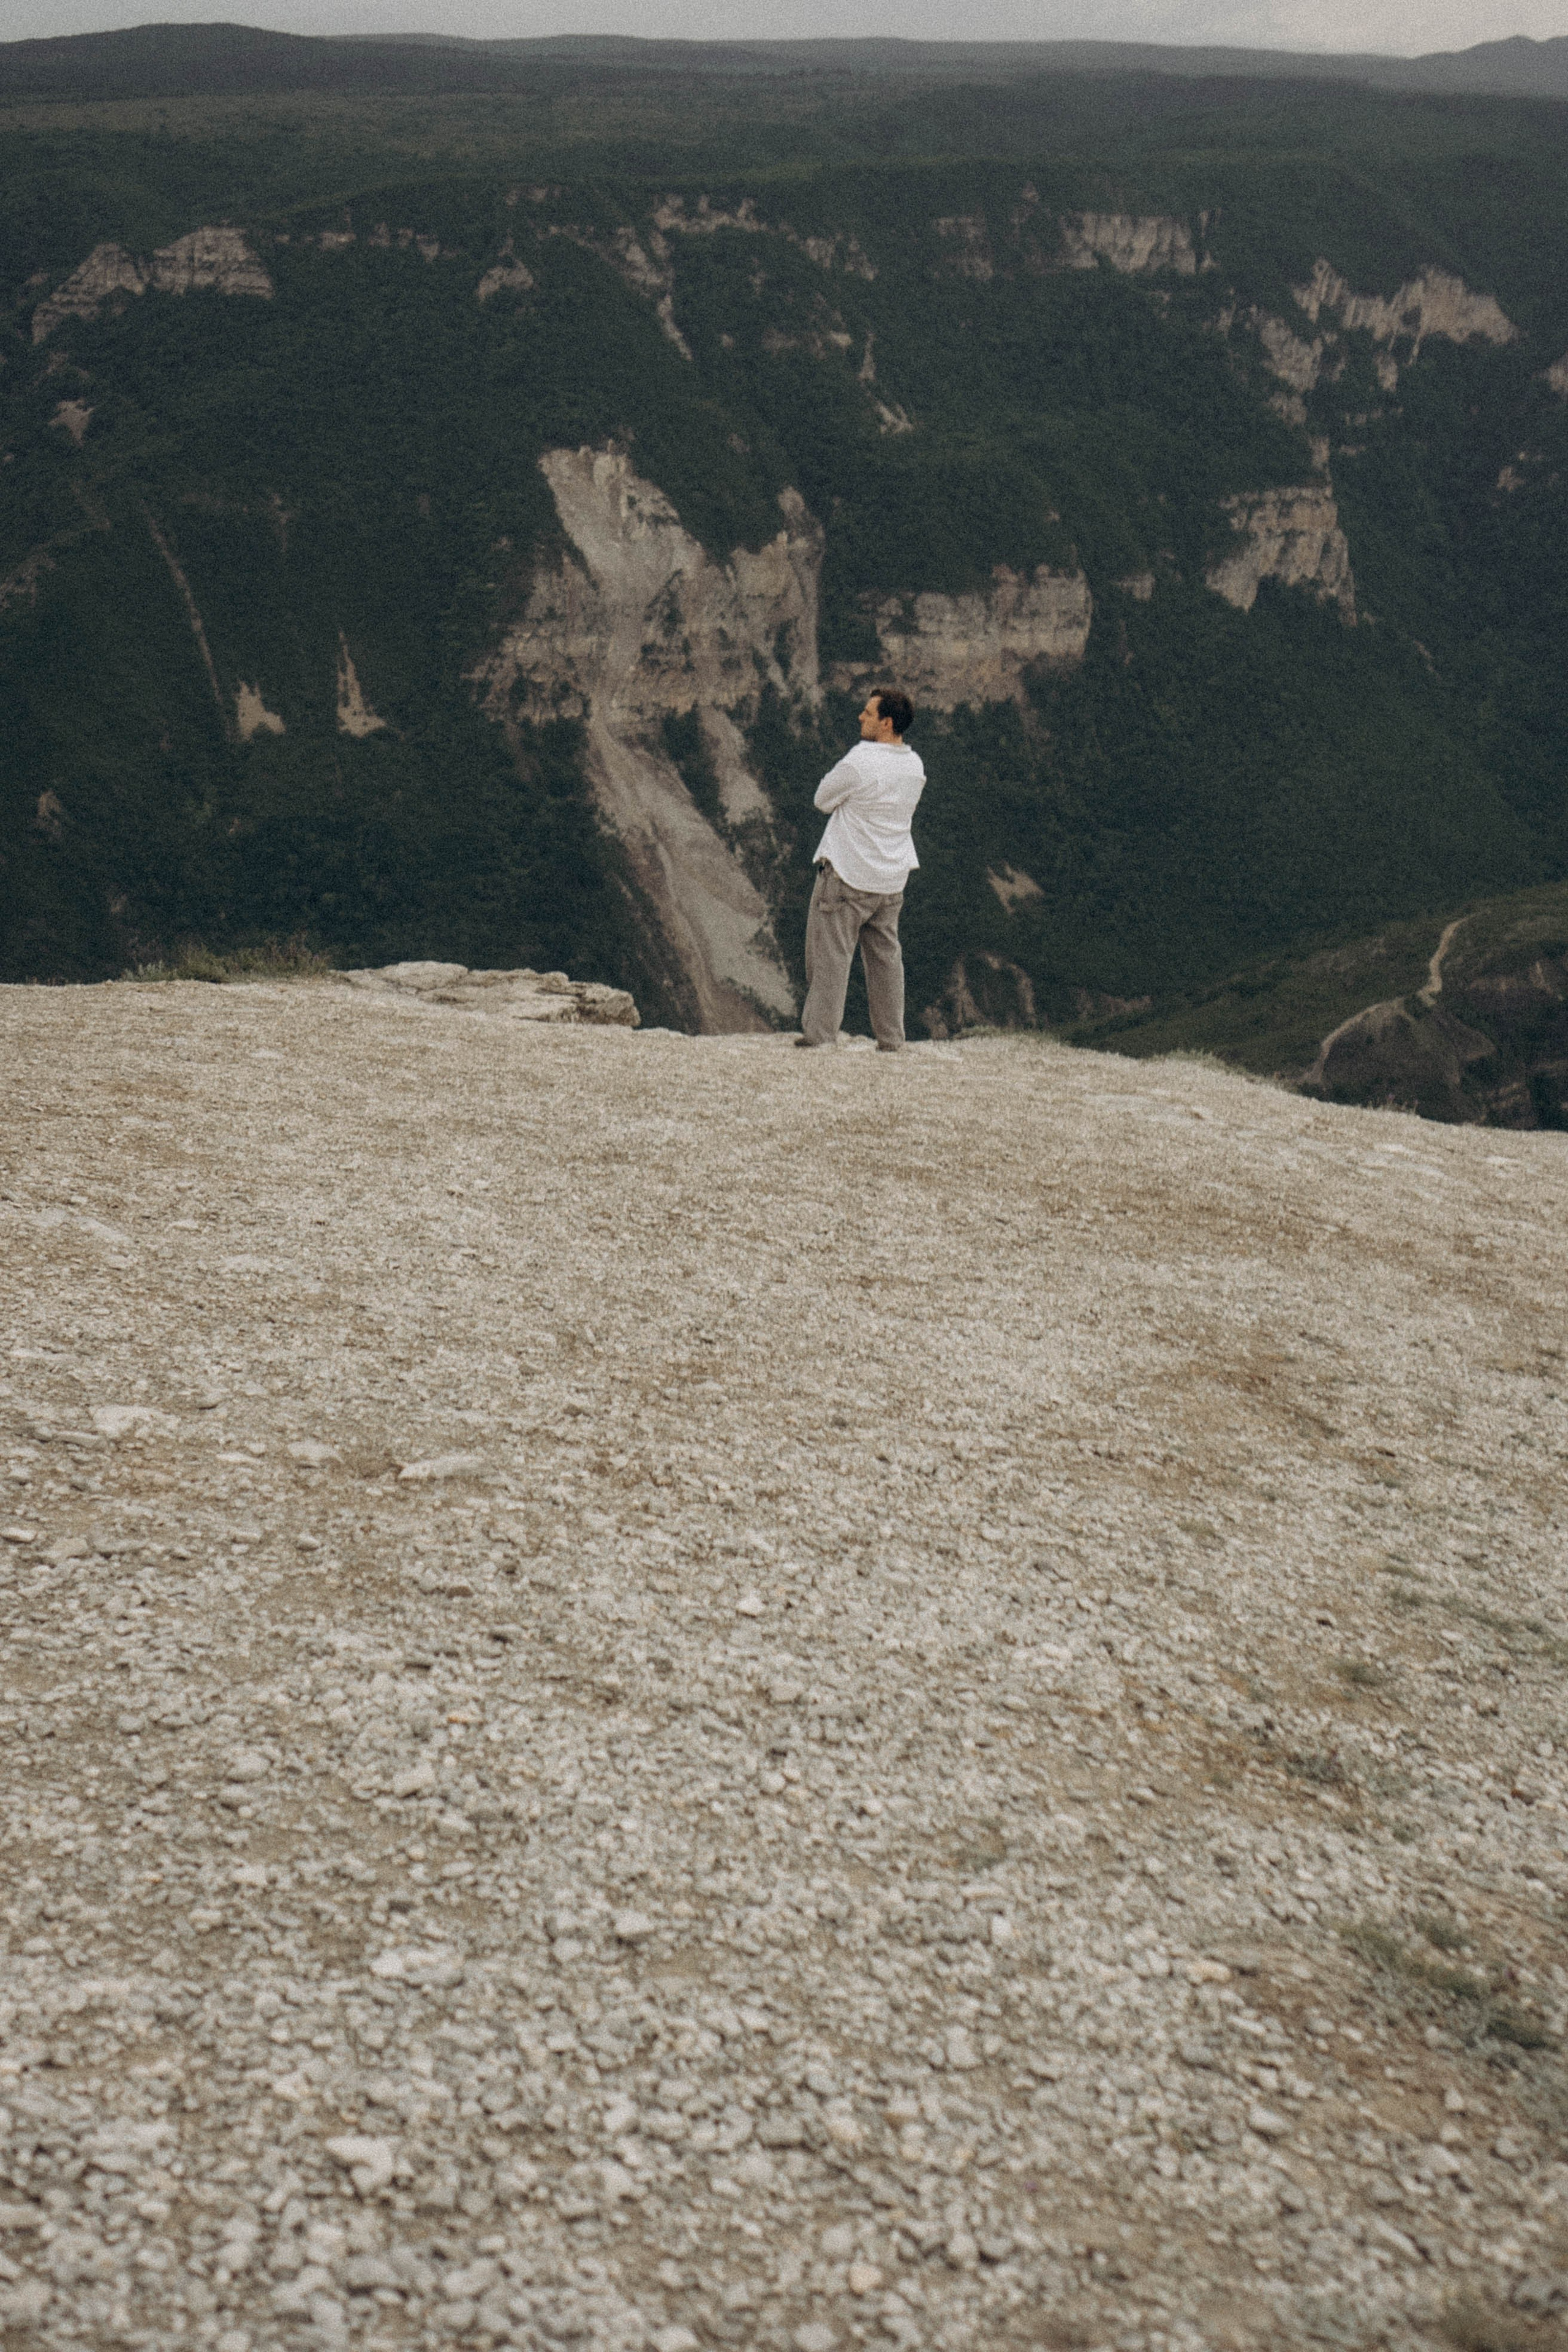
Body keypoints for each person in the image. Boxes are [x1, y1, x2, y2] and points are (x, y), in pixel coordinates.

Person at [796, 688, 924, 1052]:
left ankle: (820, 1036)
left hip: (848, 875)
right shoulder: (915, 766)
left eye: (867, 714)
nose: (860, 718)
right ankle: (892, 1038)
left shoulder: (862, 760)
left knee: (830, 956)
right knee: (886, 959)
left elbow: (822, 799)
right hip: (891, 878)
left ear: (886, 723)